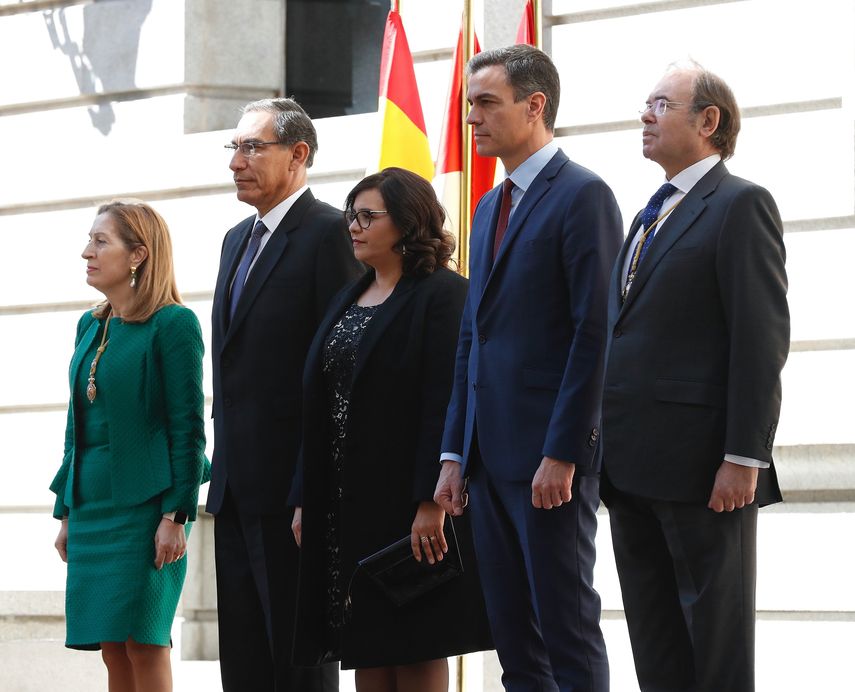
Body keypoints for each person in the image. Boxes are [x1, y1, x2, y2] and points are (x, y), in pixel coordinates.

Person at [434, 45, 623, 691]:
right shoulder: (488, 206)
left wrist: (564, 451)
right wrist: (454, 454)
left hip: (551, 467)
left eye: (485, 103)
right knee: (514, 642)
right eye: (468, 106)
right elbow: (471, 339)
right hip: (486, 464)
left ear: (534, 105)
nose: (471, 120)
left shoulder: (583, 195)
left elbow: (593, 333)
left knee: (564, 630)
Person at [599, 63, 789, 692]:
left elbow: (759, 341)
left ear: (709, 121)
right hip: (630, 471)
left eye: (660, 103)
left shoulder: (740, 204)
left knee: (715, 648)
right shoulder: (648, 214)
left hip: (706, 472)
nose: (644, 116)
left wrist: (744, 455)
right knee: (656, 648)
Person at [289, 167, 492, 692]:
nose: (352, 227)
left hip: (407, 506)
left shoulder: (444, 294)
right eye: (350, 216)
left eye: (367, 216)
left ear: (406, 223)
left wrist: (431, 501)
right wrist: (304, 497)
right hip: (344, 505)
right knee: (367, 645)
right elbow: (317, 403)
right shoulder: (348, 296)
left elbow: (443, 400)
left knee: (416, 641)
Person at [207, 97, 363, 692]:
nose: (237, 162)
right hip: (236, 488)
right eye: (235, 148)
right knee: (243, 662)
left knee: (298, 662)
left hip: (295, 492)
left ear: (298, 154)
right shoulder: (234, 239)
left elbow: (337, 371)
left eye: (252, 147)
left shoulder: (330, 234)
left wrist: (314, 484)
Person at [50, 200, 208, 692]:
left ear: (138, 254)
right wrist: (66, 511)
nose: (86, 252)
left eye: (101, 242)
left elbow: (187, 428)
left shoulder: (173, 324)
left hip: (145, 511)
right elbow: (77, 427)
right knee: (113, 649)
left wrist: (175, 516)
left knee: (144, 641)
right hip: (92, 508)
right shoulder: (90, 324)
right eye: (89, 240)